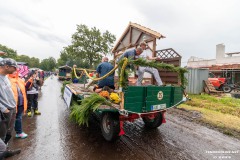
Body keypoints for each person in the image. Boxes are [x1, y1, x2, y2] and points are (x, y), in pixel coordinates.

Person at [0, 58, 21, 159]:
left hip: (12, 108)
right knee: (2, 133)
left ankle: (4, 149)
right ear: (6, 66)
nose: (16, 70)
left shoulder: (6, 77)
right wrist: (3, 108)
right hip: (5, 110)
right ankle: (2, 152)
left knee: (9, 131)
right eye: (14, 67)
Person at [8, 72, 28, 139]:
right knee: (9, 121)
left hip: (20, 103)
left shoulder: (19, 80)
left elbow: (26, 88)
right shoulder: (6, 80)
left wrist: (30, 80)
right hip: (11, 105)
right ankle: (5, 138)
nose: (14, 72)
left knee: (19, 118)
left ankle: (19, 132)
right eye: (13, 70)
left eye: (15, 70)